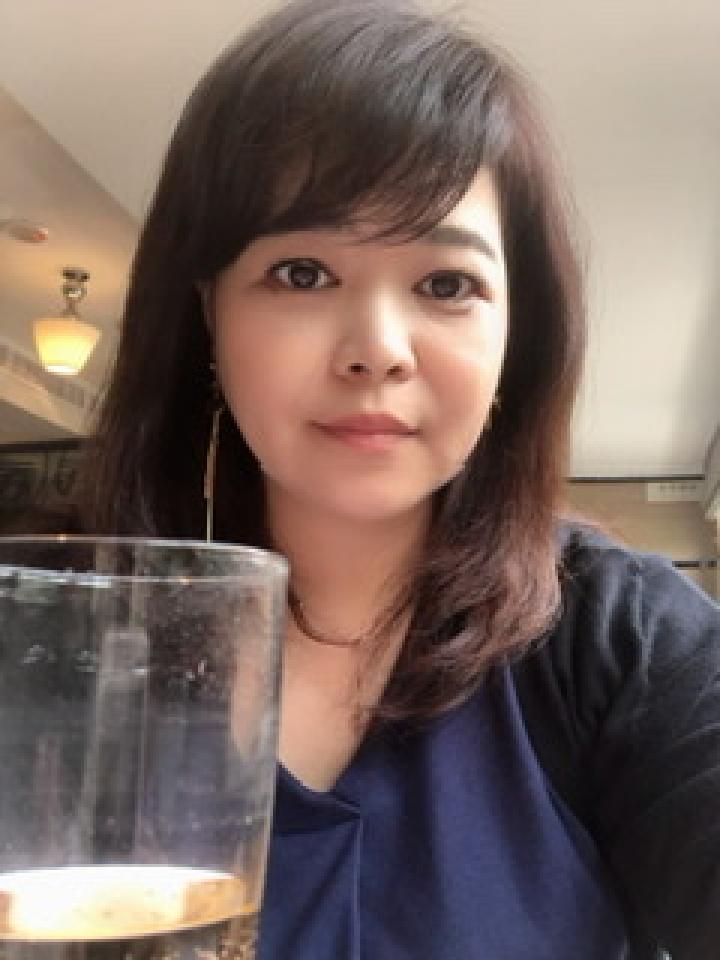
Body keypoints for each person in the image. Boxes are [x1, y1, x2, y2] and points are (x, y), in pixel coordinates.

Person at [84, 0, 720, 957]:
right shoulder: (66, 639)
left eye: (446, 284)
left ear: (516, 336)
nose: (377, 350)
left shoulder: (624, 640)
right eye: (303, 273)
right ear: (206, 310)